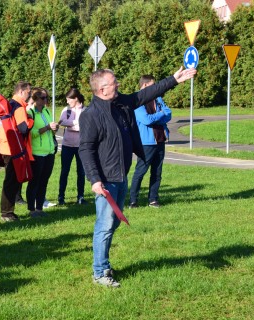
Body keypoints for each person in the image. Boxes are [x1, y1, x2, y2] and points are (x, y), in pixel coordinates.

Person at [79, 67, 196, 288]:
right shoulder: (90, 115)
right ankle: (99, 272)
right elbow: (86, 149)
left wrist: (174, 80)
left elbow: (144, 95)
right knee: (104, 225)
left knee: (112, 223)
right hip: (105, 180)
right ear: (102, 89)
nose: (119, 84)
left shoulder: (120, 103)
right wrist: (94, 179)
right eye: (115, 82)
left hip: (120, 175)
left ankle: (103, 264)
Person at [129, 75, 172, 209]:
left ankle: (153, 199)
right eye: (153, 85)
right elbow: (146, 120)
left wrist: (158, 116)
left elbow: (169, 114)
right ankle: (133, 200)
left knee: (157, 172)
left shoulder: (158, 98)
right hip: (146, 142)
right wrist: (160, 114)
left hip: (160, 140)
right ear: (145, 86)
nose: (156, 87)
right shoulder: (137, 100)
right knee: (140, 171)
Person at [0, 81, 33, 222]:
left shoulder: (9, 105)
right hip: (14, 149)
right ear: (21, 92)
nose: (29, 94)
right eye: (28, 92)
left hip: (6, 147)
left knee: (10, 180)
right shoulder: (19, 107)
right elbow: (24, 128)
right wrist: (31, 119)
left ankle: (7, 211)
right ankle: (7, 213)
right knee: (11, 181)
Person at [26, 88, 59, 218]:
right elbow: (31, 133)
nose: (46, 100)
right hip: (37, 153)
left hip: (49, 151)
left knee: (44, 181)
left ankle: (39, 208)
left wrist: (54, 128)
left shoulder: (46, 110)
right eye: (43, 98)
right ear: (35, 99)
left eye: (47, 98)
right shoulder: (30, 112)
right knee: (34, 182)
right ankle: (31, 209)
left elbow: (52, 131)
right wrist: (47, 127)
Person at [57, 87, 86, 205]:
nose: (67, 102)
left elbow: (85, 127)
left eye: (69, 99)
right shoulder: (66, 109)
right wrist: (75, 123)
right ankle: (61, 197)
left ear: (76, 98)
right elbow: (62, 122)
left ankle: (81, 197)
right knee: (64, 171)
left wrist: (72, 125)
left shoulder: (86, 110)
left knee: (81, 172)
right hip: (67, 145)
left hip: (81, 146)